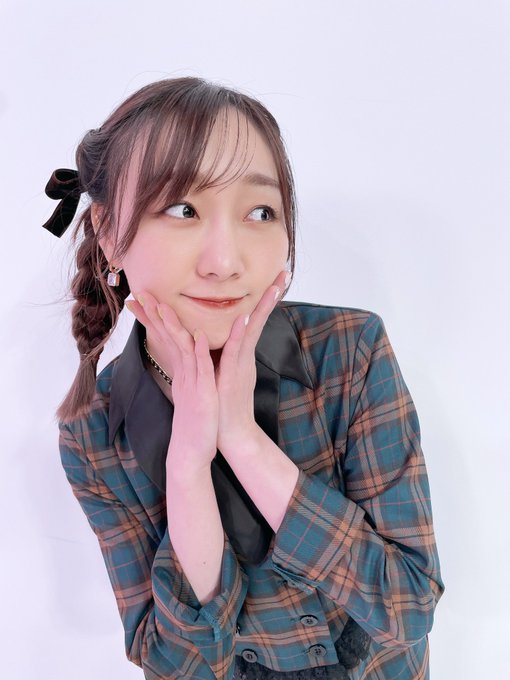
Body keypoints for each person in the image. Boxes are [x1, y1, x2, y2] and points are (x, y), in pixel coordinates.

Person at [43, 77, 444, 680]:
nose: (225, 262)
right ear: (107, 231)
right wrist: (187, 469)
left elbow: (407, 607)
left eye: (260, 212)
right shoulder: (93, 436)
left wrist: (244, 442)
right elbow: (174, 662)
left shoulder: (349, 353)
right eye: (183, 209)